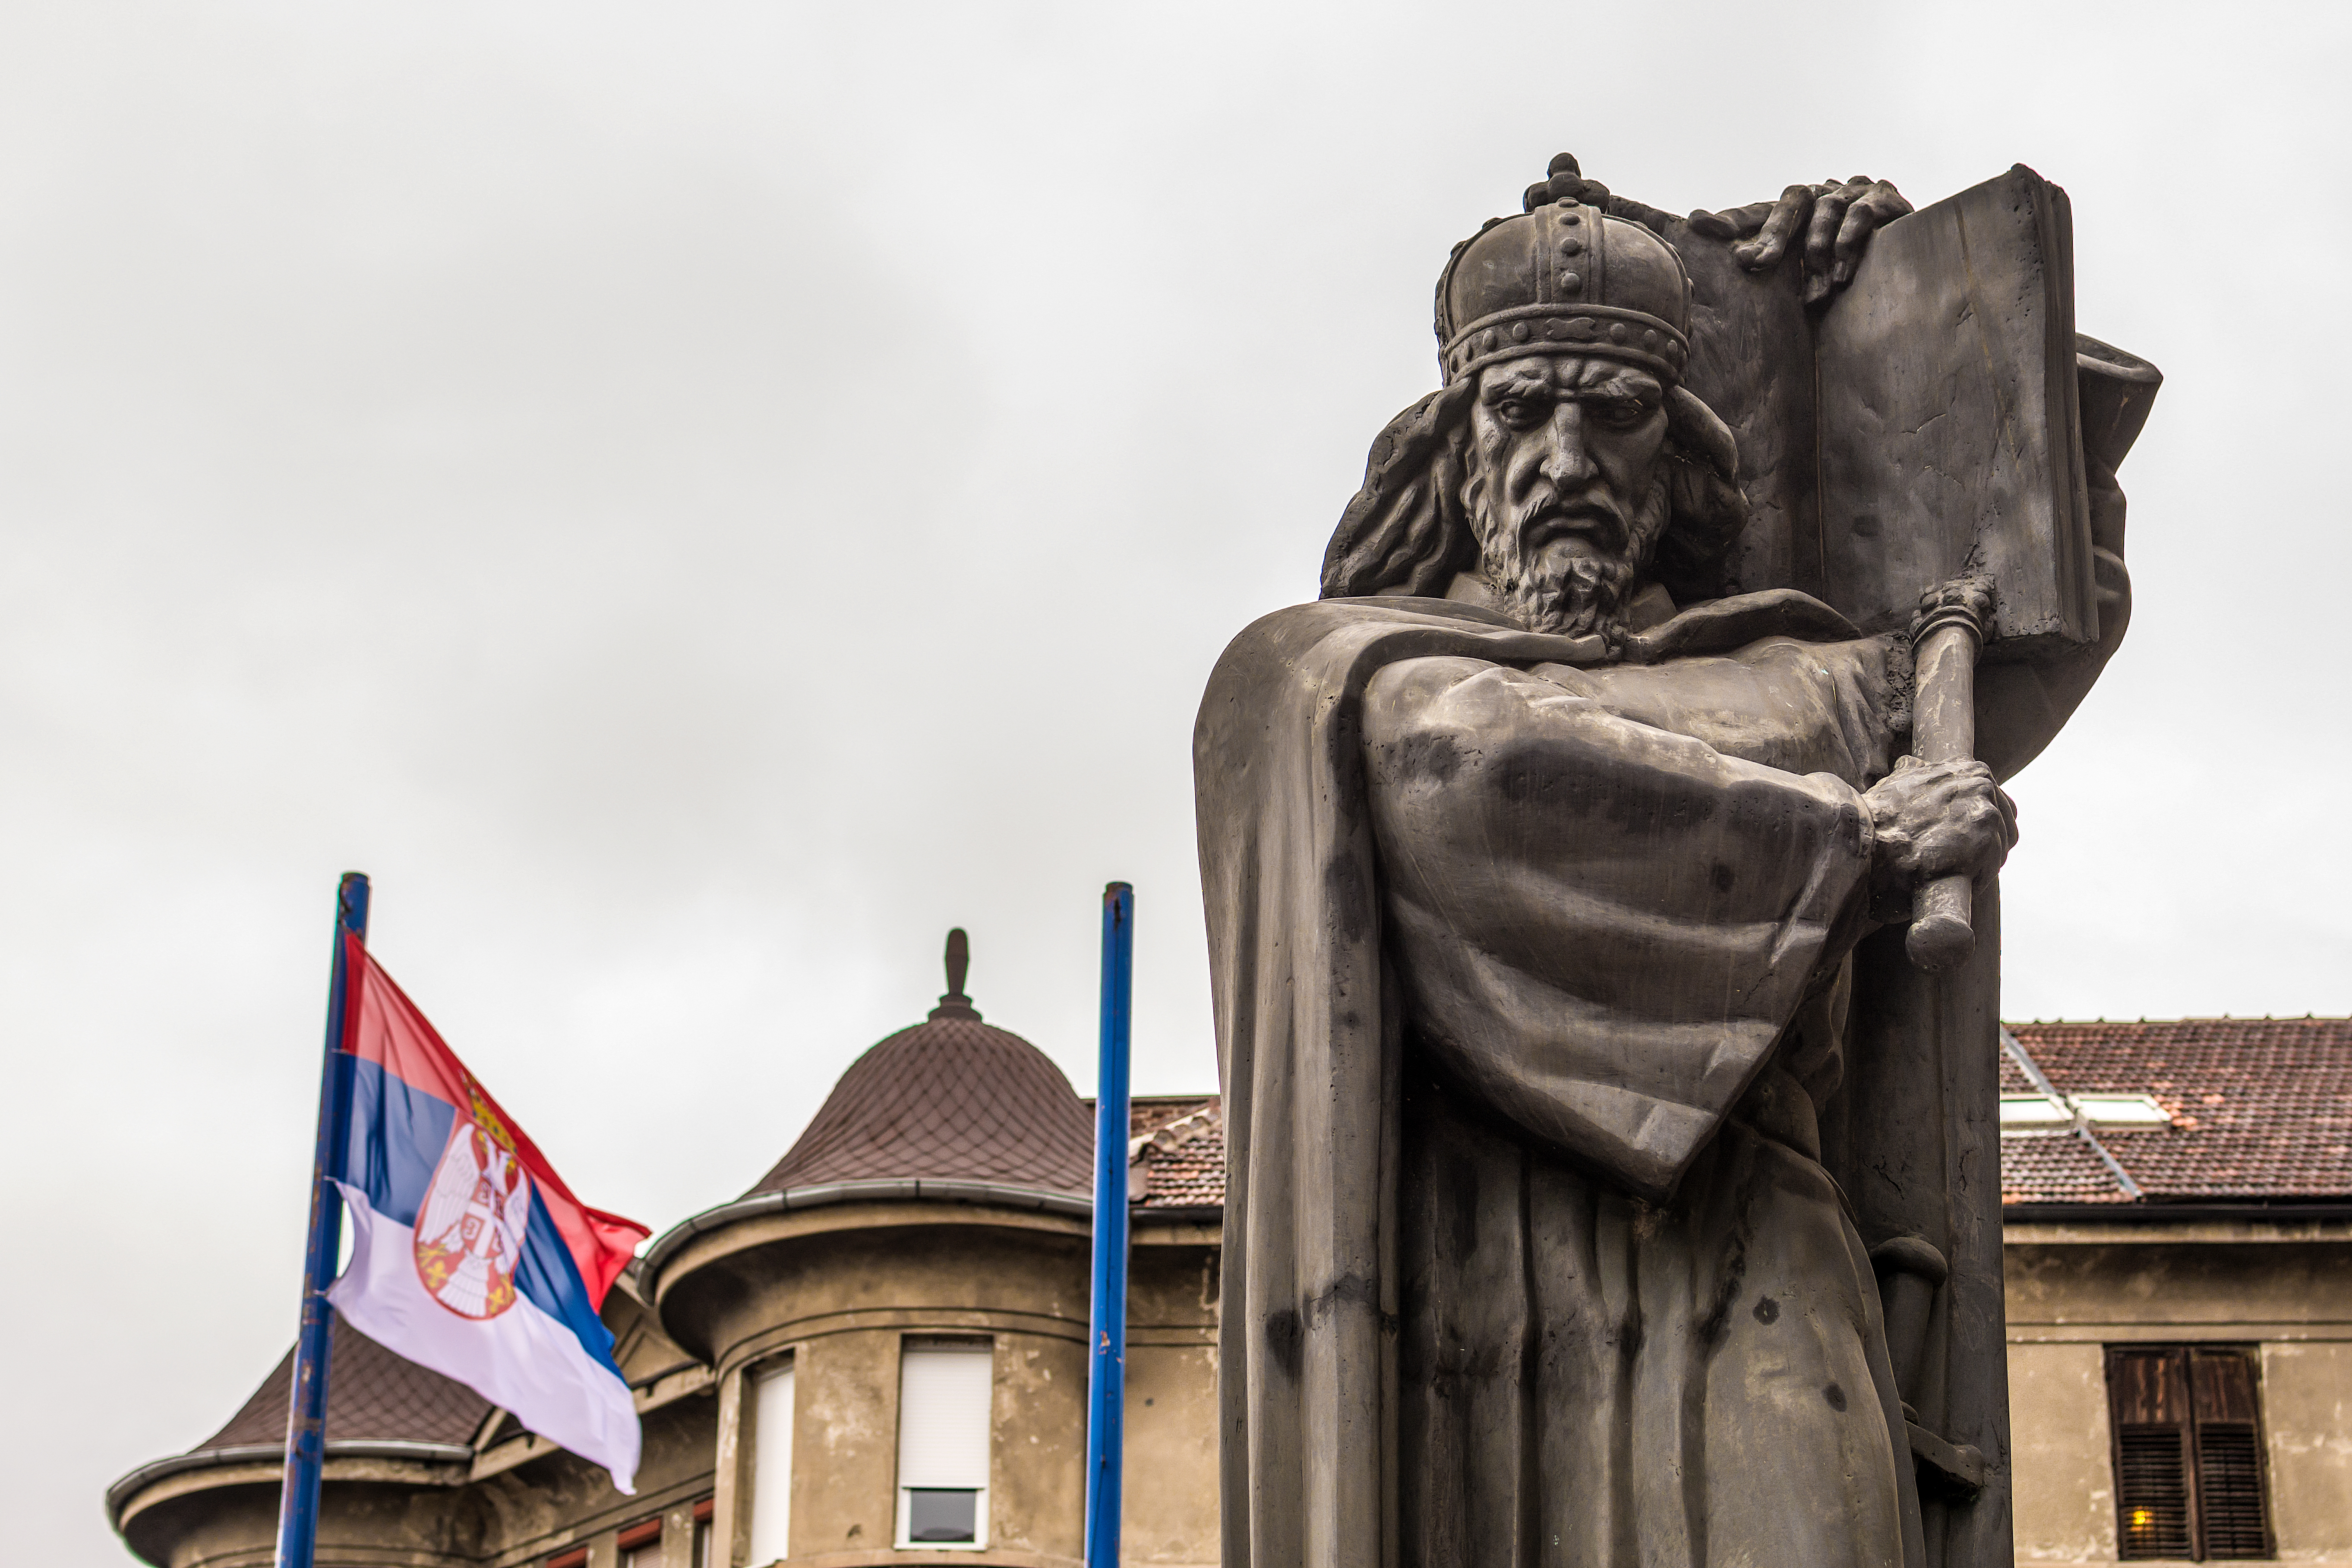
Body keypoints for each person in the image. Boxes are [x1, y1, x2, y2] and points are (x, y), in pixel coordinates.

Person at [1195, 156, 2131, 1568]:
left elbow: (2044, 591)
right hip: (1469, 1294)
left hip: (1757, 1253)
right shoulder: (1335, 679)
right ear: (1453, 451)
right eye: (1519, 411)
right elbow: (1469, 780)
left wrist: (1932, 310)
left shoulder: (1819, 673)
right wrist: (1856, 844)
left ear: (1678, 453)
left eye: (1615, 415)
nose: (1563, 461)